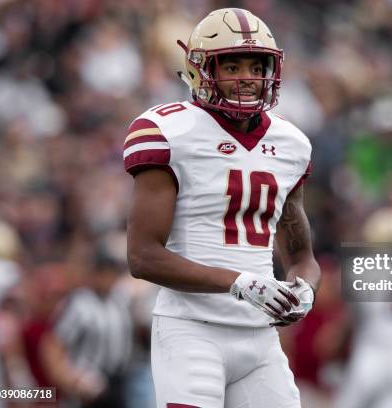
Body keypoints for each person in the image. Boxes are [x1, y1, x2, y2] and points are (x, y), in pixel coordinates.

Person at [124, 8, 320, 408]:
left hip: (260, 337)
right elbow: (142, 257)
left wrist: (304, 290)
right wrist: (239, 282)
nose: (247, 76)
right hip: (192, 330)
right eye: (231, 65)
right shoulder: (169, 131)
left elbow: (302, 257)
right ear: (200, 70)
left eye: (256, 64)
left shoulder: (291, 143)